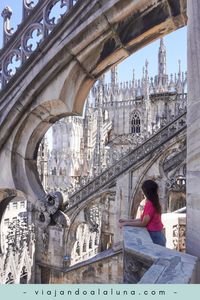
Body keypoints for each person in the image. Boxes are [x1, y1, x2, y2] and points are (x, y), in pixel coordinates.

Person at [119, 179, 166, 247]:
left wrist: (125, 224)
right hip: (157, 235)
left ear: (147, 192)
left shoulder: (150, 204)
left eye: (143, 191)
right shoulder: (154, 201)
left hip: (155, 237)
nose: (142, 193)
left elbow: (143, 223)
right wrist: (126, 220)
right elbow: (142, 219)